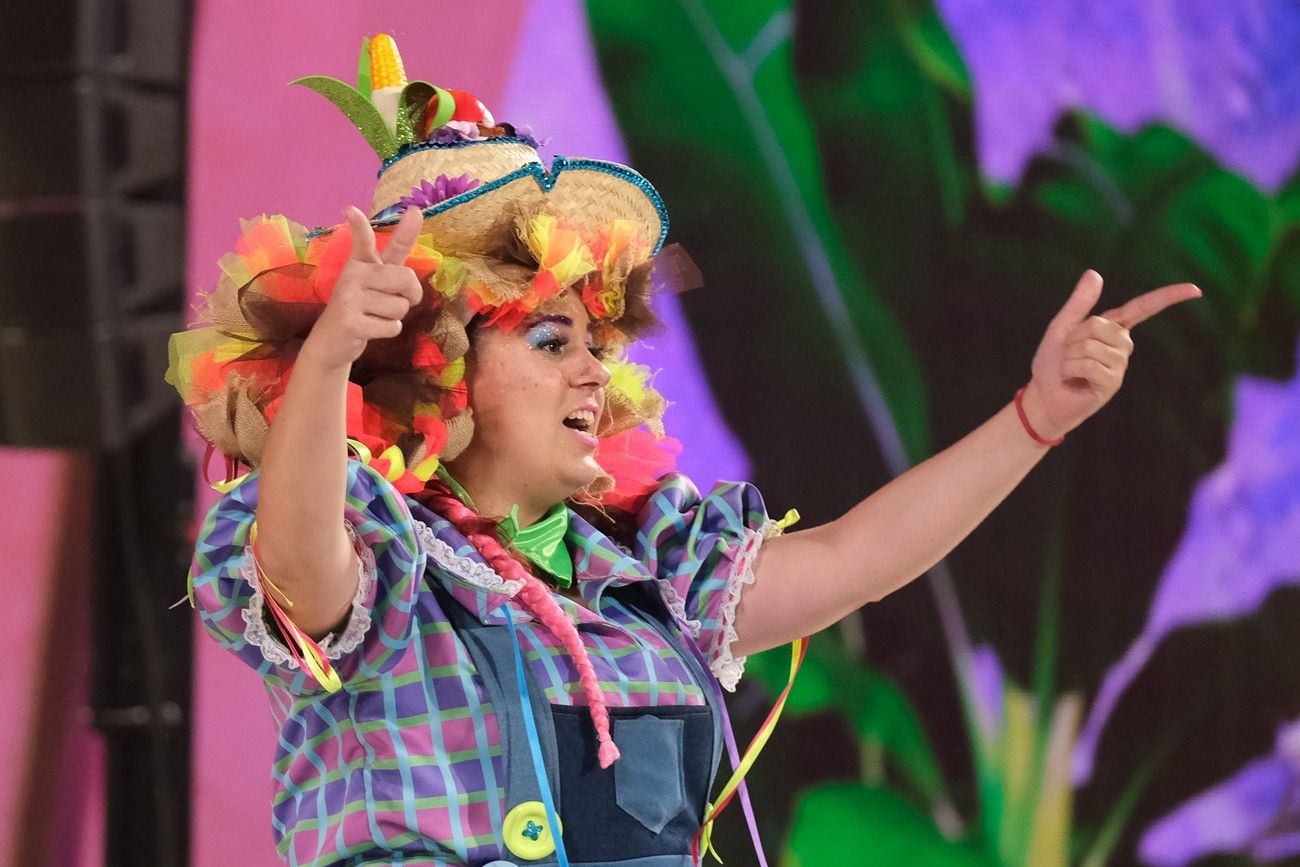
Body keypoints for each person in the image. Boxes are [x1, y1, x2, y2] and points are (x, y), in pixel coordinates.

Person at [168, 35, 1201, 867]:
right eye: (550, 340)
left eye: (598, 344)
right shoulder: (379, 556)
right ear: (440, 363)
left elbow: (854, 561)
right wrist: (335, 355)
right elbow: (299, 565)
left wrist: (1036, 416)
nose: (594, 373)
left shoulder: (652, 571)